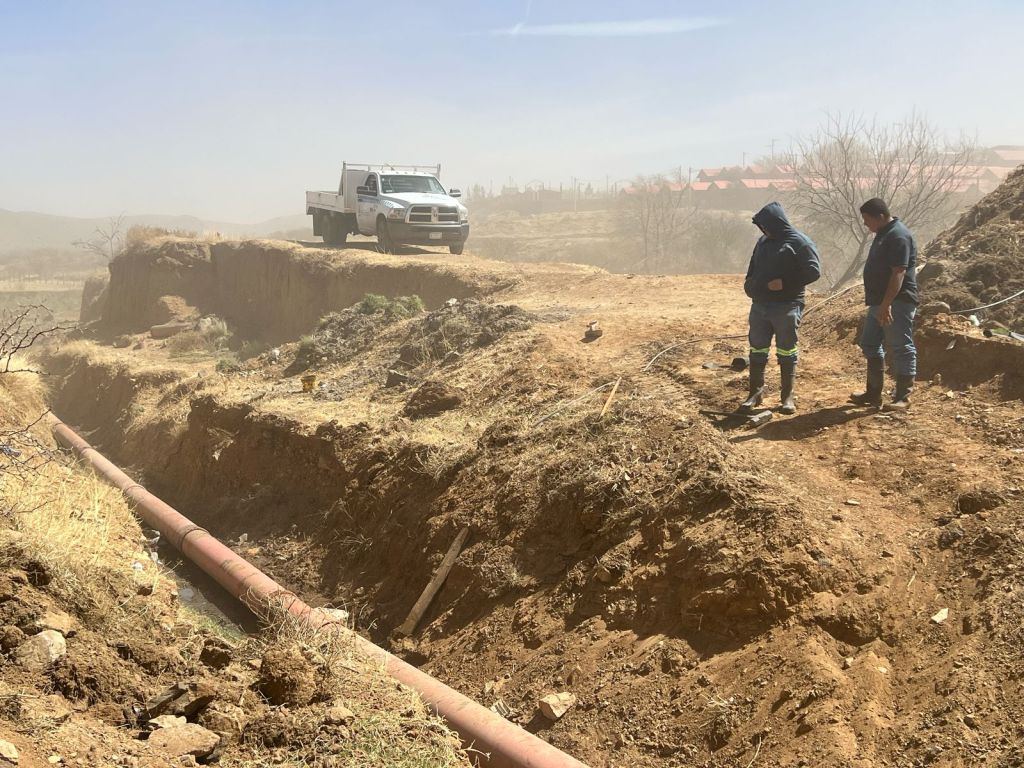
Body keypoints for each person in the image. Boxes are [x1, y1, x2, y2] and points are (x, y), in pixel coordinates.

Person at [741, 202, 821, 414]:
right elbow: (753, 267)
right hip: (760, 306)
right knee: (757, 349)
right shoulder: (763, 242)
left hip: (787, 305)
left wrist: (785, 283)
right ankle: (755, 394)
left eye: (765, 226)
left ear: (776, 223)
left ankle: (787, 397)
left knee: (787, 350)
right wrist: (750, 285)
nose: (763, 230)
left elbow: (813, 272)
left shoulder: (800, 242)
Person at [849, 198, 918, 410]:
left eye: (867, 219)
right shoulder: (883, 233)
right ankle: (873, 393)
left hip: (896, 302)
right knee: (869, 343)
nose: (865, 224)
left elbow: (898, 272)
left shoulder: (898, 235)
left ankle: (902, 397)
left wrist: (887, 304)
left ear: (879, 216)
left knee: (901, 346)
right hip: (880, 302)